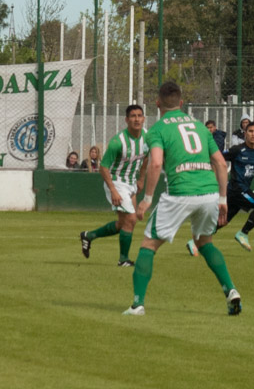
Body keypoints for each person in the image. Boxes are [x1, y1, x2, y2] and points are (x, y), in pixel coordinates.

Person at [126, 81, 240, 317]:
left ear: (157, 103)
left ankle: (137, 305)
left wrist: (147, 199)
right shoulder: (200, 127)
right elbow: (220, 163)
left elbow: (156, 163)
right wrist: (222, 199)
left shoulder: (157, 130)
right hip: (209, 193)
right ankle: (231, 290)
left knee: (149, 245)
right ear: (181, 102)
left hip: (180, 193)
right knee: (204, 242)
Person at [187, 120, 254, 255]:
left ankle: (195, 242)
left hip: (237, 191)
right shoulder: (237, 150)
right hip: (237, 188)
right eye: (250, 131)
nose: (253, 134)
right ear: (245, 133)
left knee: (222, 221)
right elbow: (217, 157)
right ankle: (243, 233)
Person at [79, 105, 148, 267]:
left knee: (123, 224)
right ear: (126, 120)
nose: (137, 119)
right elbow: (103, 167)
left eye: (139, 116)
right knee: (131, 219)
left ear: (144, 119)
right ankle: (123, 260)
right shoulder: (118, 142)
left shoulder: (147, 137)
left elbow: (146, 157)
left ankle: (89, 236)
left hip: (131, 183)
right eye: (133, 116)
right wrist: (113, 190)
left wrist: (141, 179)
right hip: (117, 183)